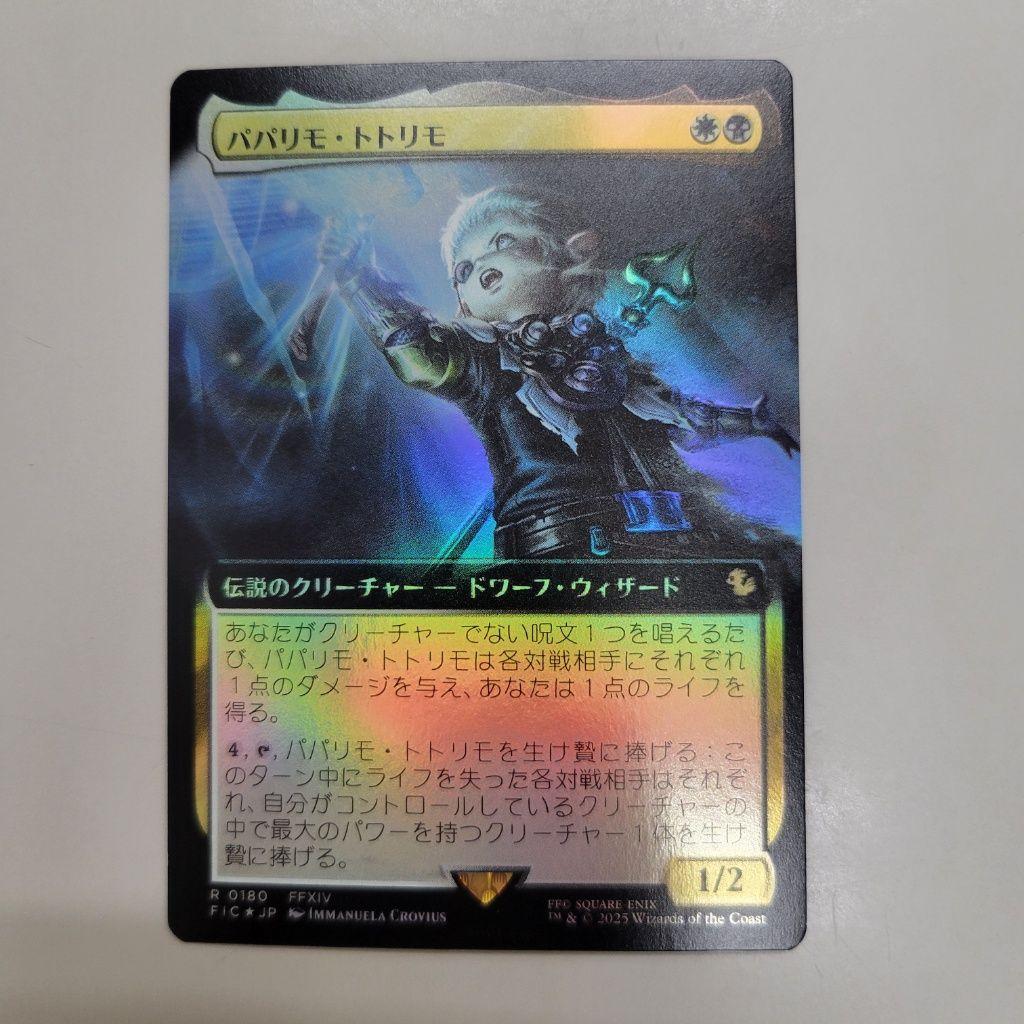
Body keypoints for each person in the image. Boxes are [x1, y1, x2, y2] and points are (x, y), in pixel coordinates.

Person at [288, 187, 797, 561]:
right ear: (464, 303)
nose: (479, 265)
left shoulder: (611, 358)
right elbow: (419, 355)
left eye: (502, 241)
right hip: (562, 548)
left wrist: (756, 422)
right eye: (463, 270)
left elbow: (682, 415)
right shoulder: (483, 359)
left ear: (573, 251)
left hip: (677, 541)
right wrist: (359, 278)